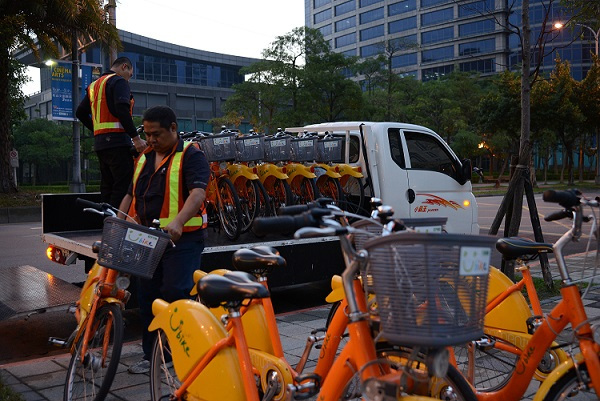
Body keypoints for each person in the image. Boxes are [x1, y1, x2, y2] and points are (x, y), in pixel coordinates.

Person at [118, 105, 210, 374]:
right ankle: (154, 355)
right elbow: (129, 193)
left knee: (175, 293)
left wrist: (179, 221)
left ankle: (185, 351)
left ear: (173, 128)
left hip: (182, 241)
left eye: (156, 134)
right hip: (146, 239)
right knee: (148, 298)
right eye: (147, 134)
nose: (151, 140)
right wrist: (119, 220)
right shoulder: (145, 156)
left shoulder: (191, 155)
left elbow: (197, 194)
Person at [76, 56, 147, 208]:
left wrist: (98, 130)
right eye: (130, 74)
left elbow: (80, 112)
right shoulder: (119, 81)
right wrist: (136, 138)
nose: (129, 78)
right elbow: (122, 110)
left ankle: (106, 224)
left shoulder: (94, 85)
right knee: (122, 186)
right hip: (118, 143)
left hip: (101, 144)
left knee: (107, 186)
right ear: (124, 67)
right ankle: (116, 226)